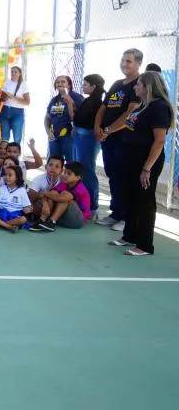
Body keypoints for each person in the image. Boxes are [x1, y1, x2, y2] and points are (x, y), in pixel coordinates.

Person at [101, 71, 172, 256]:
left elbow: (159, 141)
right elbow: (128, 124)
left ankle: (145, 245)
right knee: (130, 197)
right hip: (129, 160)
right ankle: (129, 236)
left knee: (144, 201)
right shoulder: (143, 106)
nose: (135, 87)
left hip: (144, 161)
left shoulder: (159, 107)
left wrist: (147, 168)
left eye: (138, 84)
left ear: (147, 87)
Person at [94, 48, 142, 230]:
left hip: (123, 139)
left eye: (129, 61)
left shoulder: (139, 84)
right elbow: (103, 108)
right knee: (113, 175)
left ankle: (127, 217)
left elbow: (130, 113)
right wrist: (97, 127)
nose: (124, 64)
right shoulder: (116, 84)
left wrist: (108, 129)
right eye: (123, 60)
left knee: (124, 177)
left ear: (138, 63)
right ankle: (116, 213)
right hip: (108, 139)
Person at [71, 74, 105, 212]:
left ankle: (92, 206)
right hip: (80, 135)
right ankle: (83, 201)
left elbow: (86, 120)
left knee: (87, 170)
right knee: (80, 168)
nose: (83, 87)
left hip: (88, 137)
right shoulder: (89, 100)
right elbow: (77, 117)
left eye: (85, 84)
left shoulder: (97, 102)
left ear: (93, 86)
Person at [45, 75, 84, 158]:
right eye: (57, 82)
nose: (60, 83)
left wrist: (69, 102)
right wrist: (48, 131)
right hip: (54, 136)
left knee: (71, 163)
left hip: (69, 136)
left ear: (69, 85)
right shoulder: (54, 100)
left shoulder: (76, 97)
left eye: (63, 81)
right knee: (54, 161)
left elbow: (79, 118)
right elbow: (47, 118)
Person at [0, 65, 29, 143]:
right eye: (12, 72)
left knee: (17, 138)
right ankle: (4, 154)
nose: (13, 73)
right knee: (4, 137)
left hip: (17, 112)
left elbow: (27, 102)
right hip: (5, 110)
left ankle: (16, 155)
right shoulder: (7, 83)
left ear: (20, 74)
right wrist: (5, 97)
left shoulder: (24, 84)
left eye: (15, 72)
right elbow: (2, 99)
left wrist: (13, 97)